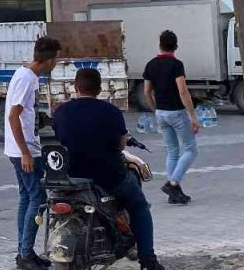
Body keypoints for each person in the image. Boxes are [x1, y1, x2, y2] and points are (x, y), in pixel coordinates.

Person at [54, 68, 163, 270]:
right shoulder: (111, 111)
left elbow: (62, 138)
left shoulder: (60, 112)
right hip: (109, 178)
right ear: (99, 88)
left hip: (73, 178)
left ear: (75, 87)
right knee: (139, 207)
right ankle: (148, 259)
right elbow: (121, 145)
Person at [5, 36, 60, 270]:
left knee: (27, 197)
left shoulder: (27, 75)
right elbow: (12, 116)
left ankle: (24, 252)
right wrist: (26, 153)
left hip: (22, 148)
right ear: (48, 60)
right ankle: (25, 254)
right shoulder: (26, 79)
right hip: (24, 150)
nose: (57, 63)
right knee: (38, 198)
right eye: (56, 59)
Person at [142, 30, 199, 204]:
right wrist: (193, 116)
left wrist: (154, 108)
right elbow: (182, 91)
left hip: (161, 113)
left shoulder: (150, 64)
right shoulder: (176, 65)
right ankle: (173, 183)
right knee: (190, 149)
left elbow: (146, 92)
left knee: (172, 151)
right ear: (175, 46)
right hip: (177, 112)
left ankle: (174, 194)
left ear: (160, 44)